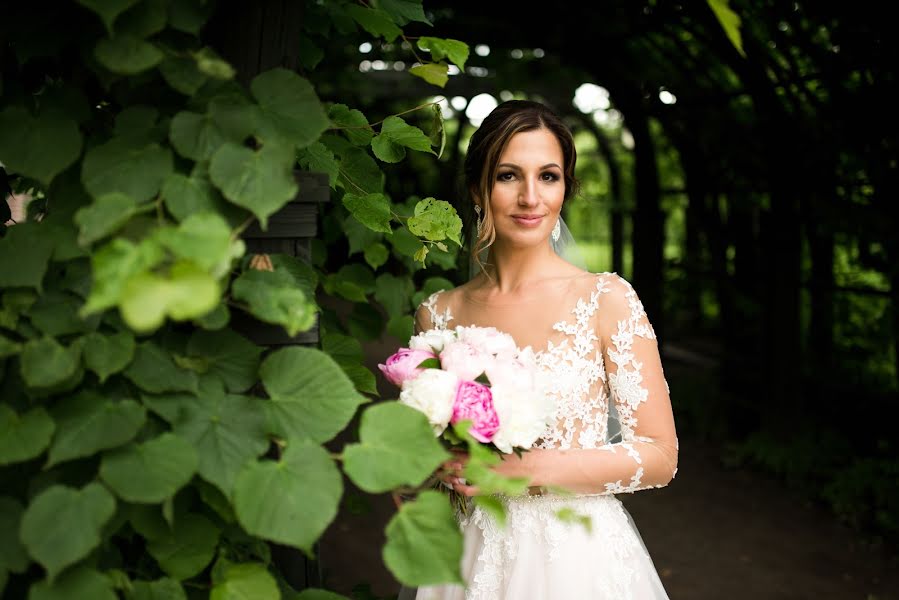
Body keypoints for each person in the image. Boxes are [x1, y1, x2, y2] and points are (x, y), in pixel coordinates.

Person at [404, 100, 678, 599]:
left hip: (576, 560)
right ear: (477, 189)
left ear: (565, 189)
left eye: (548, 176)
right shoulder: (437, 316)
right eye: (509, 175)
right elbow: (429, 453)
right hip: (468, 556)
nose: (530, 197)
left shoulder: (605, 300)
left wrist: (523, 471)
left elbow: (659, 455)